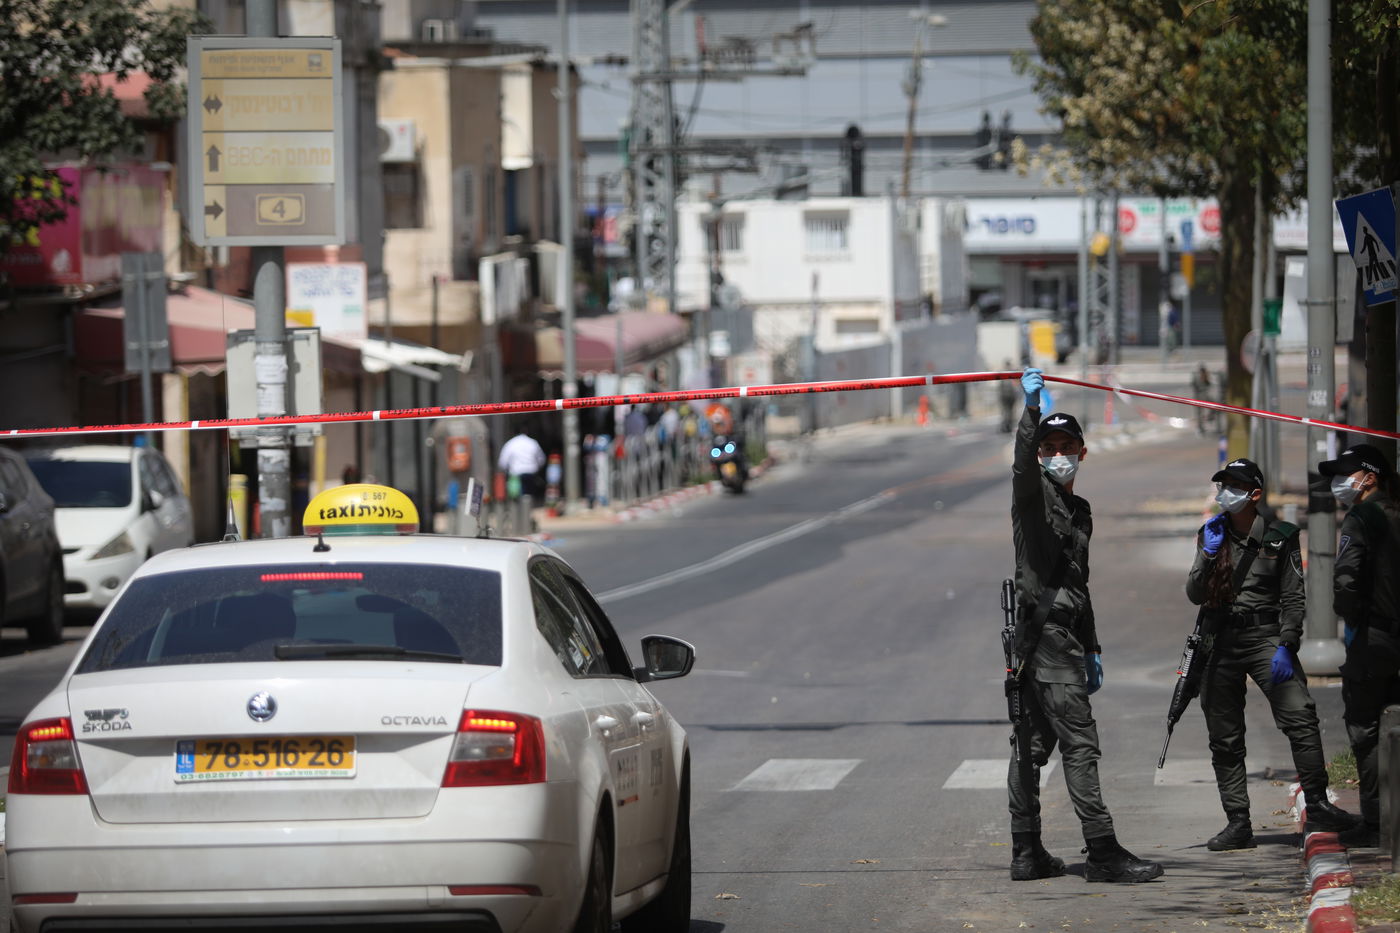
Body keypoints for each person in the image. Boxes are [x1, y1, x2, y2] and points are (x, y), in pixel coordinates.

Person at [1008, 368, 1163, 884]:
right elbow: (1021, 469)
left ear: (1081, 452)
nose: (1056, 453)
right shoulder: (1033, 500)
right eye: (1048, 446)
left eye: (1065, 445)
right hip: (1044, 639)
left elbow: (1081, 583)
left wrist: (1092, 648)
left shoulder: (1080, 510)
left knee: (1031, 746)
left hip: (1063, 637)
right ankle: (1101, 851)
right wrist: (1031, 410)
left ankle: (1026, 852)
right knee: (1079, 742)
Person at [1185, 457, 1357, 851]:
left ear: (1255, 494)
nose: (1224, 493)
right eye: (1221, 485)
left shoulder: (1280, 536)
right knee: (1225, 737)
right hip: (1219, 642)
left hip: (1266, 638)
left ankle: (1317, 803)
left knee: (1300, 717)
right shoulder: (1210, 533)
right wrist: (1208, 555)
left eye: (1233, 486)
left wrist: (1287, 643)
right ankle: (1238, 823)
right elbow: (1195, 594)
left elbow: (1294, 597)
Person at [1320, 443, 1400, 847]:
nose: (1338, 483)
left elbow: (1347, 580)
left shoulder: (1361, 518)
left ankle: (1375, 823)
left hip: (1373, 640)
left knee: (1366, 730)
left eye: (1345, 474)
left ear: (1369, 478)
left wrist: (1348, 617)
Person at [497, 427, 547, 501]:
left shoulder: (511, 443)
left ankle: (519, 509)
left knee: (516, 497)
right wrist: (537, 468)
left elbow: (503, 461)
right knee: (529, 495)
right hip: (531, 473)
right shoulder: (532, 442)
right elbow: (541, 459)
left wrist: (507, 471)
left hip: (515, 474)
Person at [1190, 364, 1214, 435]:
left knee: (1199, 414)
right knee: (1201, 413)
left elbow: (1193, 385)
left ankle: (1201, 427)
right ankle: (1205, 423)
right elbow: (1209, 384)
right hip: (1203, 396)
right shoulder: (1204, 376)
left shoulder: (1196, 376)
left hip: (1198, 397)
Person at [998, 359, 1019, 433]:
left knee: (1005, 411)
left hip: (1004, 395)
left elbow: (1000, 386)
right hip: (1011, 395)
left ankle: (1005, 426)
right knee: (1011, 411)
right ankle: (1008, 426)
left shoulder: (1002, 372)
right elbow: (1017, 384)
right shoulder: (1013, 372)